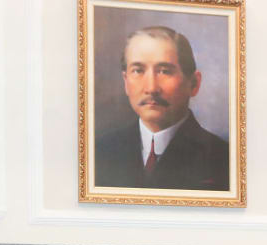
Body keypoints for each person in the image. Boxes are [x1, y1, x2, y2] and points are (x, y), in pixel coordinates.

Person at [94, 26, 229, 191]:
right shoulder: (99, 151)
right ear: (126, 82)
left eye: (165, 71)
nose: (151, 88)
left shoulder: (223, 158)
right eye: (138, 70)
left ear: (193, 84)